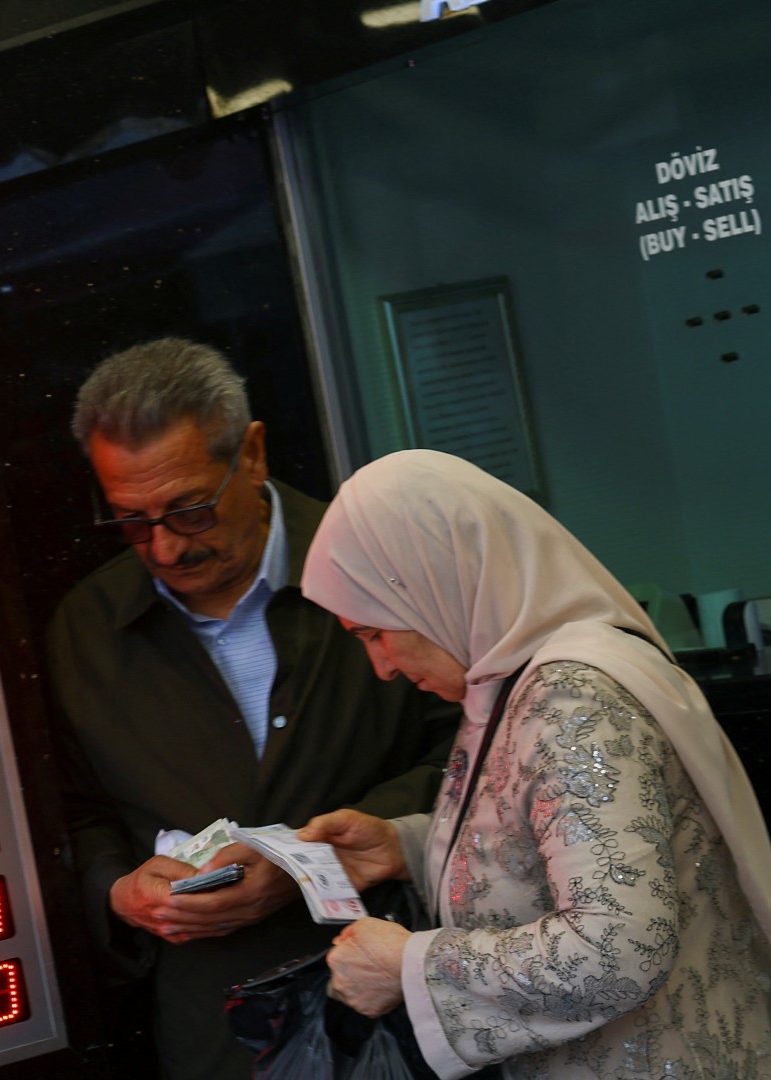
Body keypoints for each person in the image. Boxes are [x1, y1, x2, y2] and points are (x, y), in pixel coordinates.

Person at [296, 449, 771, 1079]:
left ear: (436, 584)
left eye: (375, 632)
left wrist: (412, 967)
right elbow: (570, 836)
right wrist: (405, 844)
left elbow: (615, 947)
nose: (383, 667)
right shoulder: (515, 675)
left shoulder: (571, 698)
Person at [47, 339, 462, 1079]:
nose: (167, 548)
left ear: (255, 454)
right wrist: (118, 891)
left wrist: (307, 862)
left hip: (410, 1001)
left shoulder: (378, 567)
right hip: (217, 1031)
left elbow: (480, 760)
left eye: (191, 510)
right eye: (131, 521)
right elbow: (72, 817)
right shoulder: (86, 628)